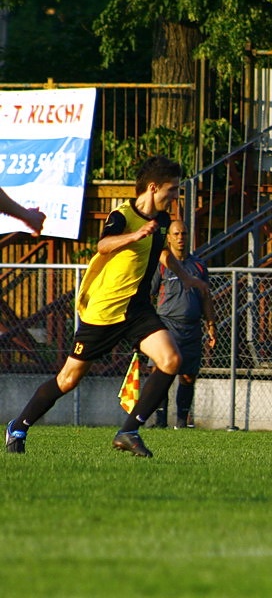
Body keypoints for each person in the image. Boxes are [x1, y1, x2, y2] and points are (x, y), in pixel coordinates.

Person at [6, 156, 206, 457]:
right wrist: (134, 235)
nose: (175, 196)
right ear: (153, 187)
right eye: (172, 189)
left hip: (137, 309)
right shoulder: (123, 215)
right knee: (69, 378)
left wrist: (186, 277)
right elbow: (103, 245)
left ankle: (129, 431)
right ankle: (18, 426)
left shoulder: (162, 221)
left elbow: (162, 252)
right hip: (105, 311)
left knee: (170, 360)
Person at [147, 220, 217, 429]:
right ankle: (159, 421)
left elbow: (205, 297)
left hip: (192, 327)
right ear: (168, 237)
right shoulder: (161, 264)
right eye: (176, 234)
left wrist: (211, 325)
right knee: (160, 374)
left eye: (184, 234)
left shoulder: (198, 265)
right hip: (166, 326)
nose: (180, 238)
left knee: (188, 376)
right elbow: (148, 295)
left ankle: (181, 421)